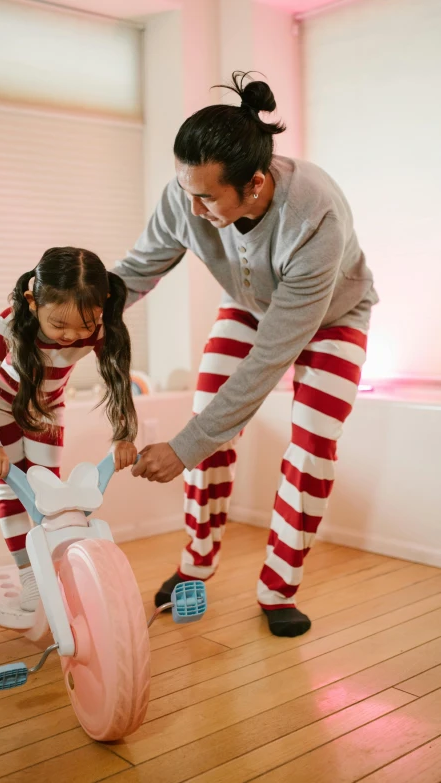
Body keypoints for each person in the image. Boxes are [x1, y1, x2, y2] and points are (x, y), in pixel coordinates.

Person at [115, 72, 378, 638]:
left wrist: (184, 445)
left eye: (206, 196)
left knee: (311, 445)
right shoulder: (186, 197)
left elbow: (270, 358)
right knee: (209, 425)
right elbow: (135, 273)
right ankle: (196, 562)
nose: (191, 206)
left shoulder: (315, 216)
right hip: (250, 306)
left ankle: (278, 589)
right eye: (186, 189)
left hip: (333, 319)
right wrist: (79, 302)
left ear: (255, 184)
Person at [0, 246, 138, 611]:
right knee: (11, 492)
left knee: (51, 496)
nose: (71, 336)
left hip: (46, 411)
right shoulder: (11, 323)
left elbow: (118, 382)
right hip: (2, 409)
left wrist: (124, 436)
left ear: (103, 304)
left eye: (84, 325)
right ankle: (29, 574)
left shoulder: (102, 329)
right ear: (32, 301)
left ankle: (55, 570)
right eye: (59, 325)